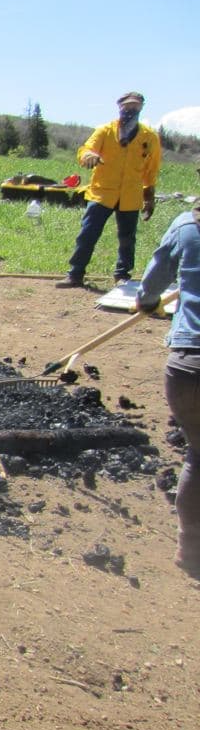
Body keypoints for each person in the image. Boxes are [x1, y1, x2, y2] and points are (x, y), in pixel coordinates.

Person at [136, 207, 200, 579]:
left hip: (187, 366)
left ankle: (190, 549)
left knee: (198, 454)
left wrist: (147, 300)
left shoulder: (187, 226)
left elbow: (156, 276)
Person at [56, 91, 161, 289]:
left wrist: (149, 197)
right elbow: (86, 149)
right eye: (127, 107)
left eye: (135, 107)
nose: (130, 110)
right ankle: (75, 274)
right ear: (119, 107)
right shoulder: (105, 131)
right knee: (88, 234)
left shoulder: (149, 137)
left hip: (130, 195)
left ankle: (122, 276)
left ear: (141, 108)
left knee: (127, 239)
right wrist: (88, 156)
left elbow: (151, 169)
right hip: (102, 193)